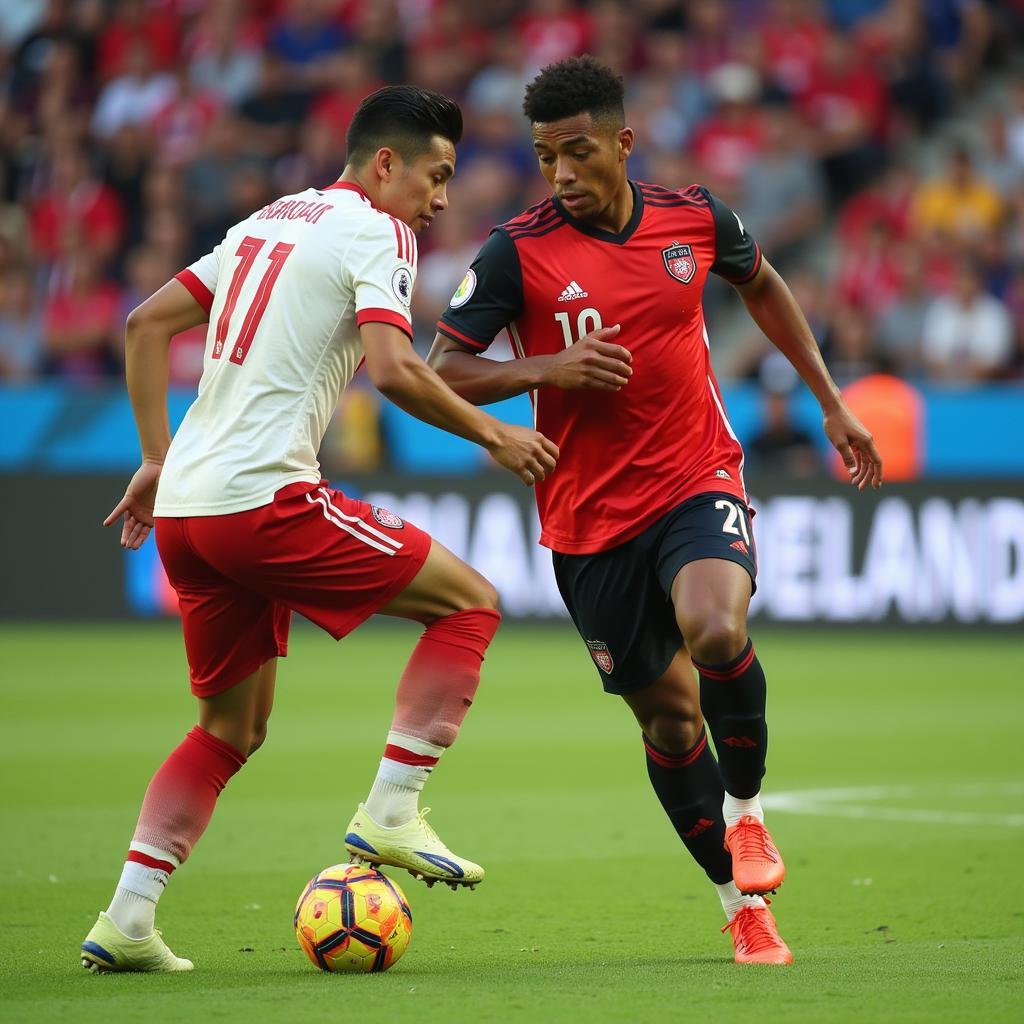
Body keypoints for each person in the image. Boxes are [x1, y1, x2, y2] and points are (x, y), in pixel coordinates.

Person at [81, 85, 559, 974]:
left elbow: (146, 326)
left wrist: (156, 458)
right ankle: (392, 808)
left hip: (189, 510)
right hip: (264, 499)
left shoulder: (269, 219)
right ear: (386, 164)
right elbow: (395, 369)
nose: (442, 199)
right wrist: (496, 430)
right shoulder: (382, 231)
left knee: (229, 730)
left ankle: (128, 920)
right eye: (436, 175)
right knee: (470, 604)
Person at [427, 56, 883, 966]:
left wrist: (830, 400)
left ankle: (748, 818)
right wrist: (543, 371)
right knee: (671, 725)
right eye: (546, 156)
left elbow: (762, 283)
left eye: (578, 152)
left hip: (694, 477)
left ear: (623, 144)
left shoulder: (694, 218)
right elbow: (443, 370)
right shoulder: (517, 250)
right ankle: (739, 908)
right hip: (587, 522)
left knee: (715, 629)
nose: (561, 173)